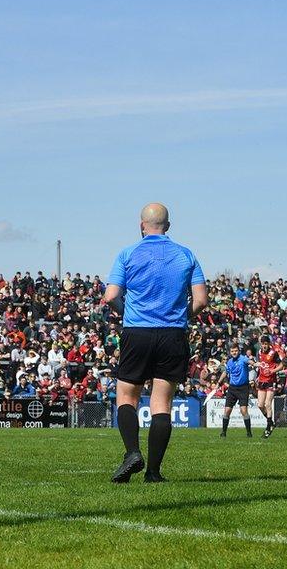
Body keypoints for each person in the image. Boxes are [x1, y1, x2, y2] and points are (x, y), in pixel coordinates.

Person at [102, 203, 207, 483]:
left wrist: (128, 313)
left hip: (138, 332)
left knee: (127, 396)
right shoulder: (186, 255)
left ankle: (132, 453)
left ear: (141, 225)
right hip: (172, 334)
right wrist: (181, 317)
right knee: (162, 402)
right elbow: (201, 301)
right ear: (168, 226)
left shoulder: (128, 253)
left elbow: (111, 295)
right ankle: (154, 472)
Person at [219, 343, 253, 437]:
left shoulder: (243, 358)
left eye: (236, 351)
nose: (234, 352)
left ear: (239, 351)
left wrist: (255, 363)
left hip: (243, 388)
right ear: (230, 352)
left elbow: (250, 362)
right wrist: (219, 382)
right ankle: (223, 432)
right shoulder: (229, 362)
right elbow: (226, 372)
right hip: (232, 388)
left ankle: (249, 432)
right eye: (232, 351)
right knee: (227, 411)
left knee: (243, 411)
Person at [255, 336, 283, 438]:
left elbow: (281, 366)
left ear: (269, 344)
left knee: (267, 404)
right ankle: (271, 422)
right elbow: (262, 364)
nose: (264, 346)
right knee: (260, 405)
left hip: (271, 381)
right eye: (263, 344)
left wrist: (272, 371)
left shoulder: (273, 353)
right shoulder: (259, 352)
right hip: (262, 380)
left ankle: (268, 428)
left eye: (266, 344)